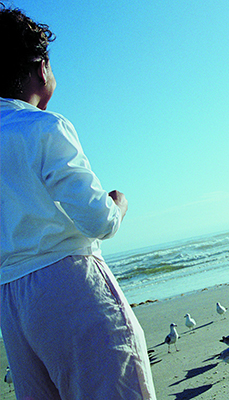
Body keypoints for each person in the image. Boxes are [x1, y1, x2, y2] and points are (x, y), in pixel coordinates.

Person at [0, 5, 156, 399]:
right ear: (41, 68)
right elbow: (97, 219)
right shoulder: (42, 126)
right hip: (68, 283)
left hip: (11, 302)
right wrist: (117, 204)